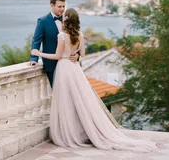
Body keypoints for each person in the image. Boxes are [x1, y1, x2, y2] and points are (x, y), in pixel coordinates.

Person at [31, 8, 158, 152]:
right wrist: (77, 55)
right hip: (75, 69)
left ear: (66, 20)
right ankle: (81, 131)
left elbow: (57, 56)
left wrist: (39, 53)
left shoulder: (62, 36)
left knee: (65, 101)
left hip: (64, 68)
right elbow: (83, 54)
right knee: (80, 100)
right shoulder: (80, 35)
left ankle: (69, 133)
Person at [29, 0, 78, 87]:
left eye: (63, 6)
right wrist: (33, 58)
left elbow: (76, 38)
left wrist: (77, 54)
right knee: (58, 92)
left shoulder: (68, 19)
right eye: (59, 6)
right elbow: (36, 41)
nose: (62, 9)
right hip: (52, 64)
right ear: (52, 5)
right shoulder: (42, 21)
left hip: (69, 64)